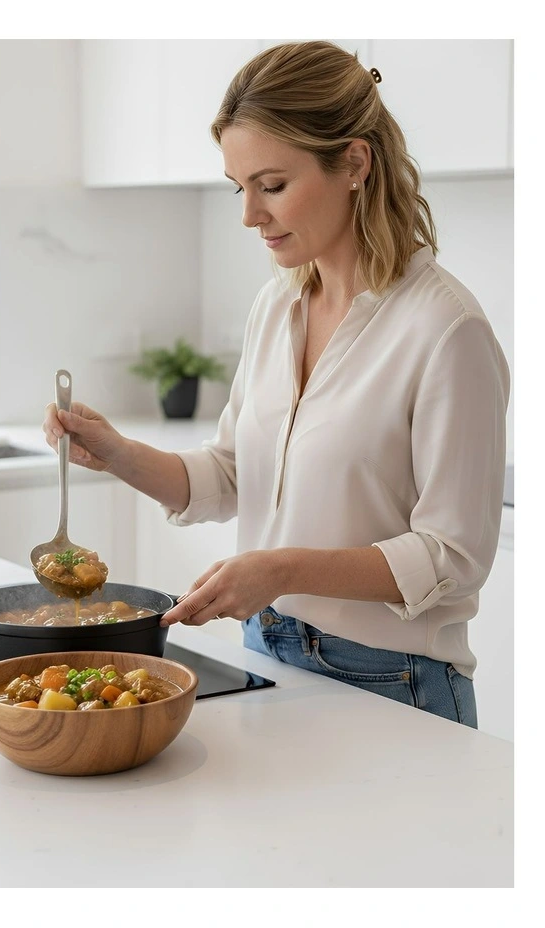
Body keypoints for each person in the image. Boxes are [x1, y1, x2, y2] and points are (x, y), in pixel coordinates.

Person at [42, 41, 509, 728]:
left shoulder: (447, 329)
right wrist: (117, 452)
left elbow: (453, 558)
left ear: (354, 162)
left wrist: (282, 569)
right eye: (240, 187)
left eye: (273, 185)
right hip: (267, 652)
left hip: (394, 684)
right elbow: (233, 476)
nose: (249, 215)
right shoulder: (278, 307)